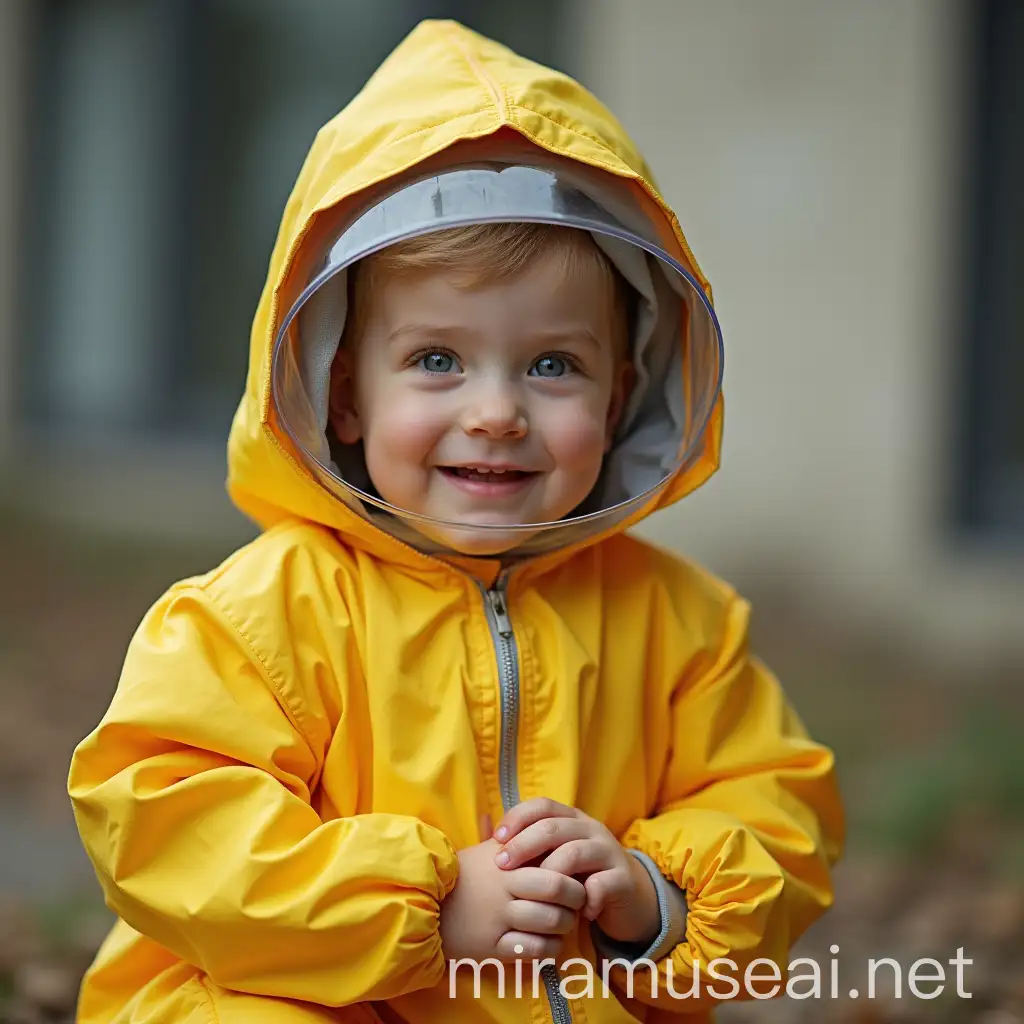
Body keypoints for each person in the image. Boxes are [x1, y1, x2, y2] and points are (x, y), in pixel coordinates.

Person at [68, 18, 844, 1024]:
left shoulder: (681, 623)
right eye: (437, 359)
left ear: (616, 404)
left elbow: (776, 806)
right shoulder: (261, 617)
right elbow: (167, 818)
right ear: (342, 394)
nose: (495, 411)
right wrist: (428, 904)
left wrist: (654, 891)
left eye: (552, 364)